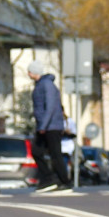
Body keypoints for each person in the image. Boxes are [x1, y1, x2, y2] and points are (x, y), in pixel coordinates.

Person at [28, 60, 72, 192]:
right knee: (37, 151)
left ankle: (64, 181)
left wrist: (43, 125)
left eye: (30, 71)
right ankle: (49, 179)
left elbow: (51, 107)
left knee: (55, 154)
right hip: (45, 126)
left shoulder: (47, 85)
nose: (28, 73)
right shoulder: (40, 84)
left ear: (34, 72)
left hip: (51, 127)